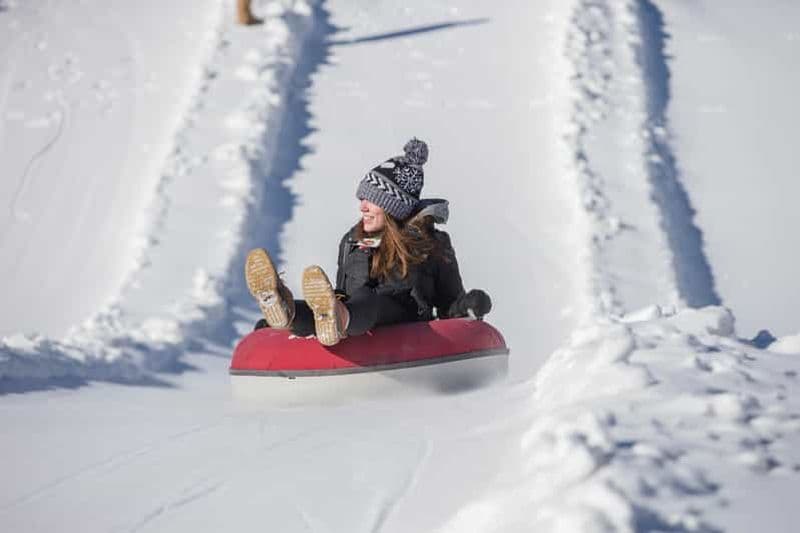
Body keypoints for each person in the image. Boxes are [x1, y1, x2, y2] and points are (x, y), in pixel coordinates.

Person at [244, 138, 492, 346]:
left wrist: (467, 305)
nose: (362, 206)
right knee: (334, 307)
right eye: (362, 198)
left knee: (366, 300)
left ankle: (337, 319)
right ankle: (285, 311)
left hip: (407, 326)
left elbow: (450, 308)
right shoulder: (353, 241)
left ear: (393, 207)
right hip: (354, 322)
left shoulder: (432, 244)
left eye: (371, 199)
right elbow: (339, 296)